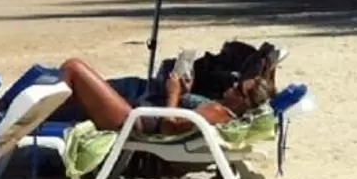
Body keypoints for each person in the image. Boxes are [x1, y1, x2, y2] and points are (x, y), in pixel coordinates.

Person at [57, 47, 273, 137]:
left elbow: (170, 128)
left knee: (74, 67)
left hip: (133, 123)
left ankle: (31, 117)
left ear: (244, 102)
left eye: (238, 88)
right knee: (76, 94)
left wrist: (173, 92)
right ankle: (40, 118)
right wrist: (183, 93)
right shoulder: (221, 109)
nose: (233, 84)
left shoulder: (218, 112)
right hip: (137, 112)